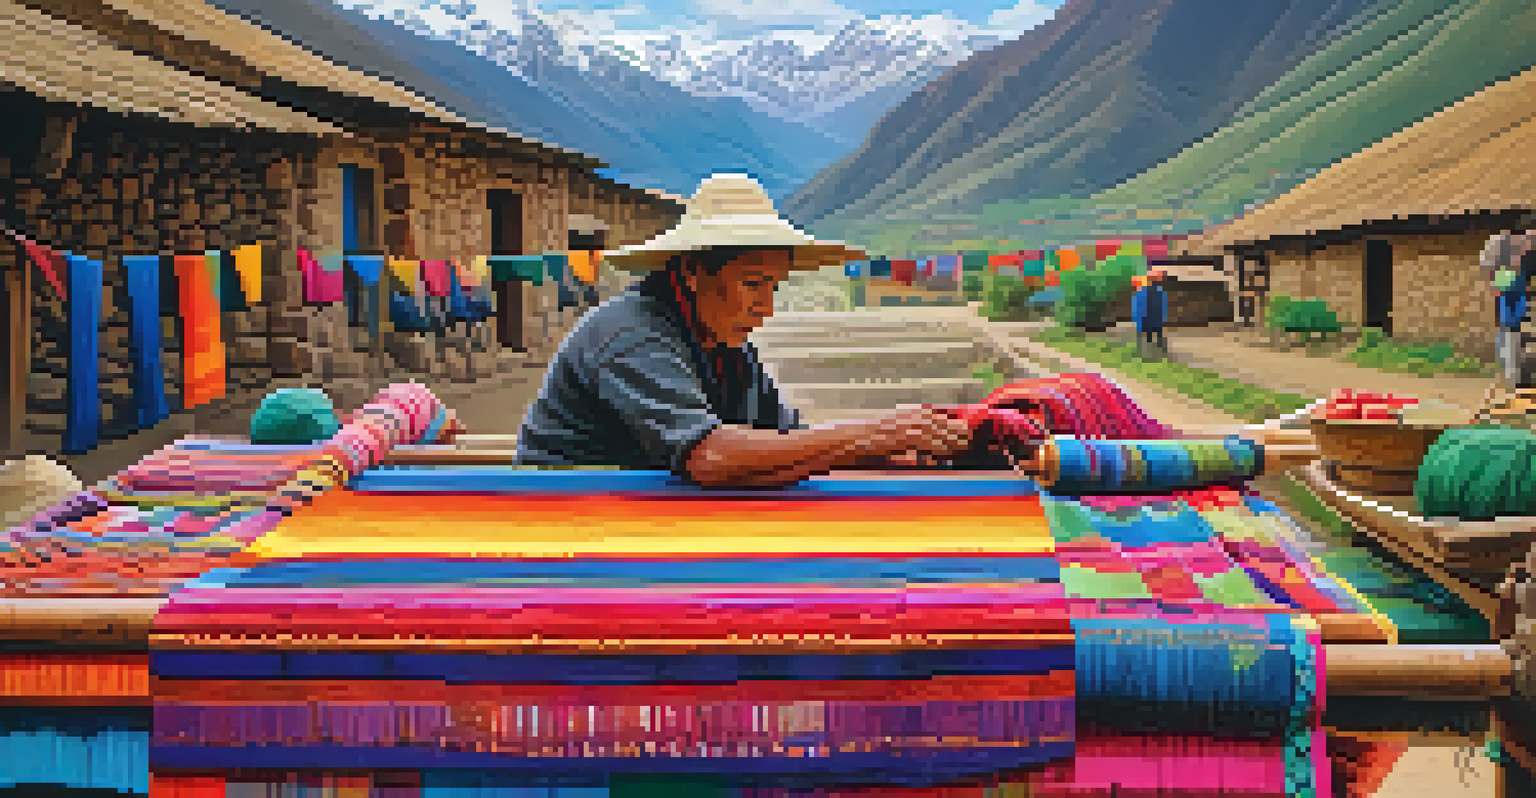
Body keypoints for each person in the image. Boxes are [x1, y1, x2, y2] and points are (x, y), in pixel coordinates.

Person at [516, 174, 974, 488]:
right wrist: (876, 433)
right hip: (562, 524)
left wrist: (903, 444)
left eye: (773, 287)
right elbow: (711, 458)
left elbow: (787, 443)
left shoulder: (727, 348)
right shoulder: (631, 334)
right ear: (693, 273)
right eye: (753, 285)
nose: (766, 307)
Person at [1132, 268, 1169, 352]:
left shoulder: (1144, 291)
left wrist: (1137, 316)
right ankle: (1158, 346)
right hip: (1154, 315)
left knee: (1150, 332)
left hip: (1149, 316)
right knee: (1157, 332)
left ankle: (1148, 347)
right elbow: (1163, 305)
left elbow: (1139, 305)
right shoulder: (1159, 291)